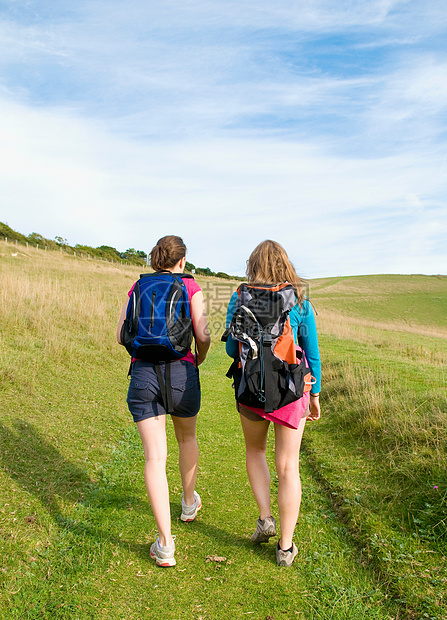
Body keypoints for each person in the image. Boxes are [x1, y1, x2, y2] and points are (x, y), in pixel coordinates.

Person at [225, 240, 321, 567]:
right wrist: (316, 394)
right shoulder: (299, 303)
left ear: (252, 265)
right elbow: (313, 352)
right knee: (288, 467)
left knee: (255, 451)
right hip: (292, 391)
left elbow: (229, 350)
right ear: (286, 265)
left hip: (251, 389)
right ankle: (285, 547)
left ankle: (265, 519)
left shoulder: (239, 298)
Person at [117, 235, 210, 567]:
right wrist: (198, 358)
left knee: (154, 459)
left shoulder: (137, 286)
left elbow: (119, 335)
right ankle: (188, 503)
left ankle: (166, 545)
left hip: (143, 376)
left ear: (155, 259)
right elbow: (203, 334)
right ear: (182, 261)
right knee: (187, 437)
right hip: (182, 374)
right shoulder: (190, 285)